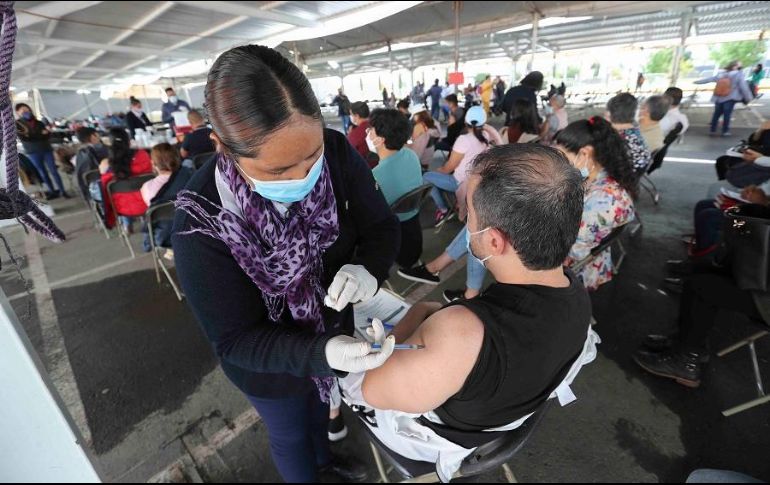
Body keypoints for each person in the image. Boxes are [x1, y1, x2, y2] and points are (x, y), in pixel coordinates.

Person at [171, 45, 400, 483]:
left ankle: (326, 464)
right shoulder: (200, 223)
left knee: (321, 409)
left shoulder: (334, 150)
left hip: (332, 326)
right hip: (268, 366)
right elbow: (235, 340)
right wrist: (320, 352)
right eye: (277, 171)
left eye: (309, 158)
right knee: (290, 433)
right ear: (221, 146)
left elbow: (382, 227)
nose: (301, 178)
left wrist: (367, 269)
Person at [341, 144, 598, 482]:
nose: (463, 216)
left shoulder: (460, 332)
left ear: (494, 242)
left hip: (430, 443)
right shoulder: (574, 291)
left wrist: (416, 316)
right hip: (494, 419)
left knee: (328, 357)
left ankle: (331, 424)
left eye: (469, 214)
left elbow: (373, 389)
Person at [556, 117, 637, 290]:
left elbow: (572, 251)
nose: (559, 162)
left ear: (584, 154)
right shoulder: (597, 177)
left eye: (562, 156)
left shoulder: (603, 201)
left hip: (575, 271)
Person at [422, 106, 502, 226]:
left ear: (465, 121)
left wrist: (439, 170)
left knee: (427, 176)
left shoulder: (463, 139)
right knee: (436, 176)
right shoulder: (485, 135)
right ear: (484, 123)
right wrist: (487, 127)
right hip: (478, 180)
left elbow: (449, 167)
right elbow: (500, 145)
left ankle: (443, 209)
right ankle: (451, 204)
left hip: (459, 182)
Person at [367, 109, 424, 269]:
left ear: (380, 139)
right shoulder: (411, 155)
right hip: (414, 238)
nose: (368, 133)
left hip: (394, 245)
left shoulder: (375, 177)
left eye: (370, 129)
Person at [140, 143, 194, 251]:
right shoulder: (191, 176)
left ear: (153, 163)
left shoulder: (146, 187)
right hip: (198, 230)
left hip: (167, 237)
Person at [98, 128, 153, 230]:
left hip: (122, 209)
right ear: (129, 141)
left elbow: (104, 185)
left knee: (120, 195)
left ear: (110, 143)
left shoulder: (106, 164)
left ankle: (127, 225)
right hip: (149, 204)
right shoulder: (143, 156)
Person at [15, 103, 69, 199]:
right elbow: (25, 138)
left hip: (46, 149)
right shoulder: (18, 124)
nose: (26, 112)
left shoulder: (39, 122)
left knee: (54, 171)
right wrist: (40, 134)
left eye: (27, 110)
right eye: (23, 111)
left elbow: (47, 135)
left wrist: (37, 134)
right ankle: (52, 191)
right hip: (33, 152)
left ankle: (63, 191)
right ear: (18, 113)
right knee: (42, 173)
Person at [694, 60, 753, 137]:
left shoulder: (721, 74)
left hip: (718, 97)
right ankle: (725, 131)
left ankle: (713, 130)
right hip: (730, 98)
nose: (741, 67)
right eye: (740, 65)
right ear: (735, 66)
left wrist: (697, 82)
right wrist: (749, 98)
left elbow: (710, 79)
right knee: (727, 115)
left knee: (716, 114)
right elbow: (744, 88)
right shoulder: (738, 75)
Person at [606, 93, 651, 172]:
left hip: (616, 179)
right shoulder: (635, 132)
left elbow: (593, 168)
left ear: (609, 114)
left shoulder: (614, 139)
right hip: (631, 177)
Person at [74, 126, 109, 201]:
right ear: (93, 136)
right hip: (110, 188)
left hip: (94, 194)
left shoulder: (80, 155)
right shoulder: (104, 150)